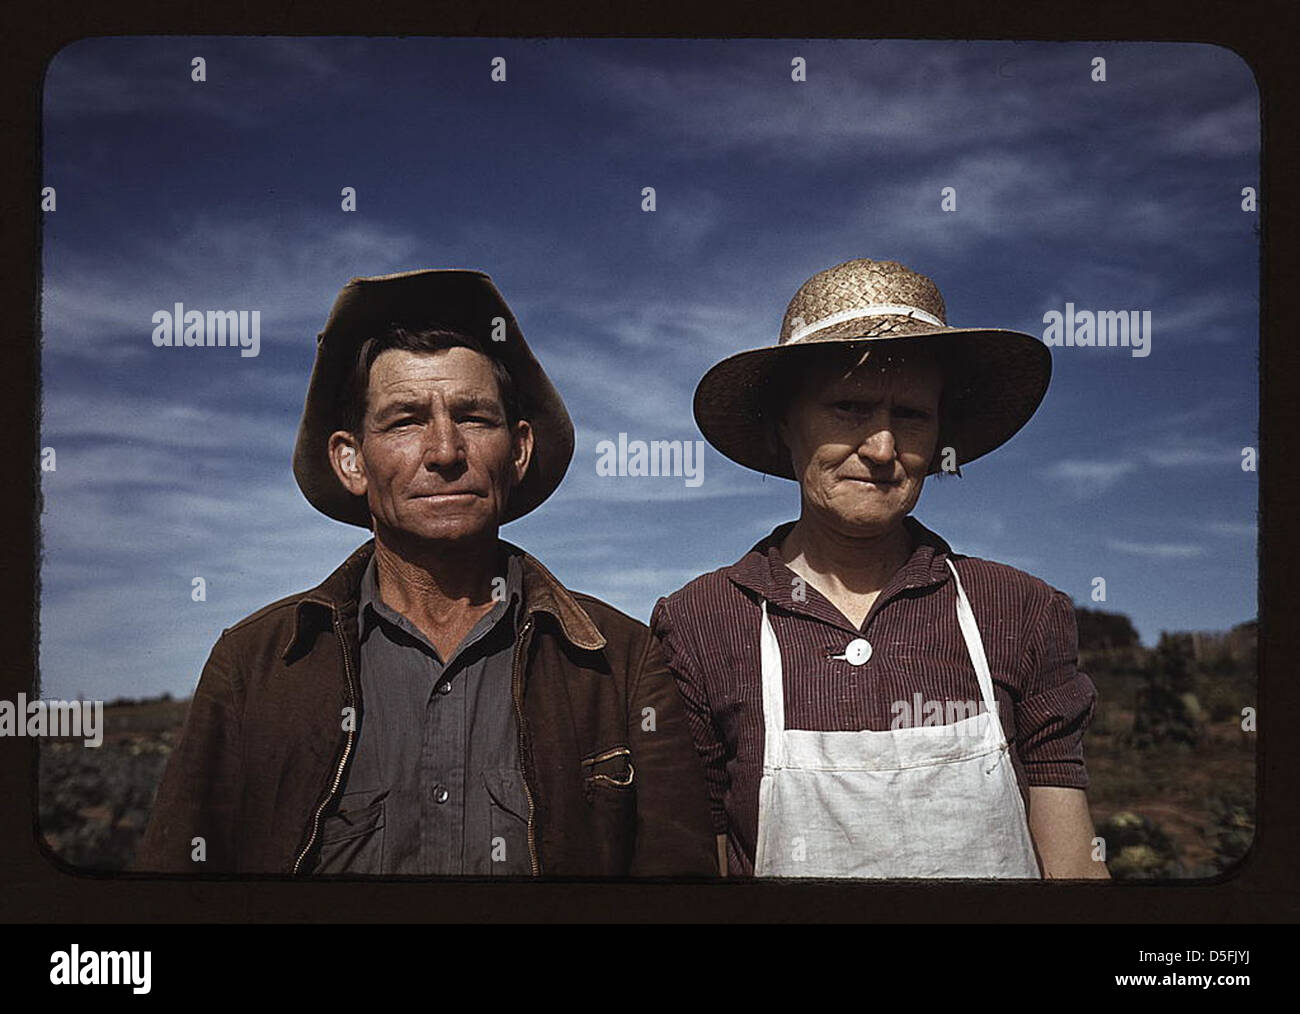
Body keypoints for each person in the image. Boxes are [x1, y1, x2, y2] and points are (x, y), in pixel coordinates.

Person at [136, 268, 716, 876]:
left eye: (474, 417)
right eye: (405, 421)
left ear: (517, 451)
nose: (444, 451)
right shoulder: (255, 664)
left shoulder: (620, 661)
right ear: (351, 460)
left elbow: (679, 887)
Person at [651, 258, 1108, 879]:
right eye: (848, 408)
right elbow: (699, 865)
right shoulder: (702, 620)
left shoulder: (1019, 608)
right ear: (786, 425)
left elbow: (1074, 870)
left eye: (912, 416)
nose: (884, 449)